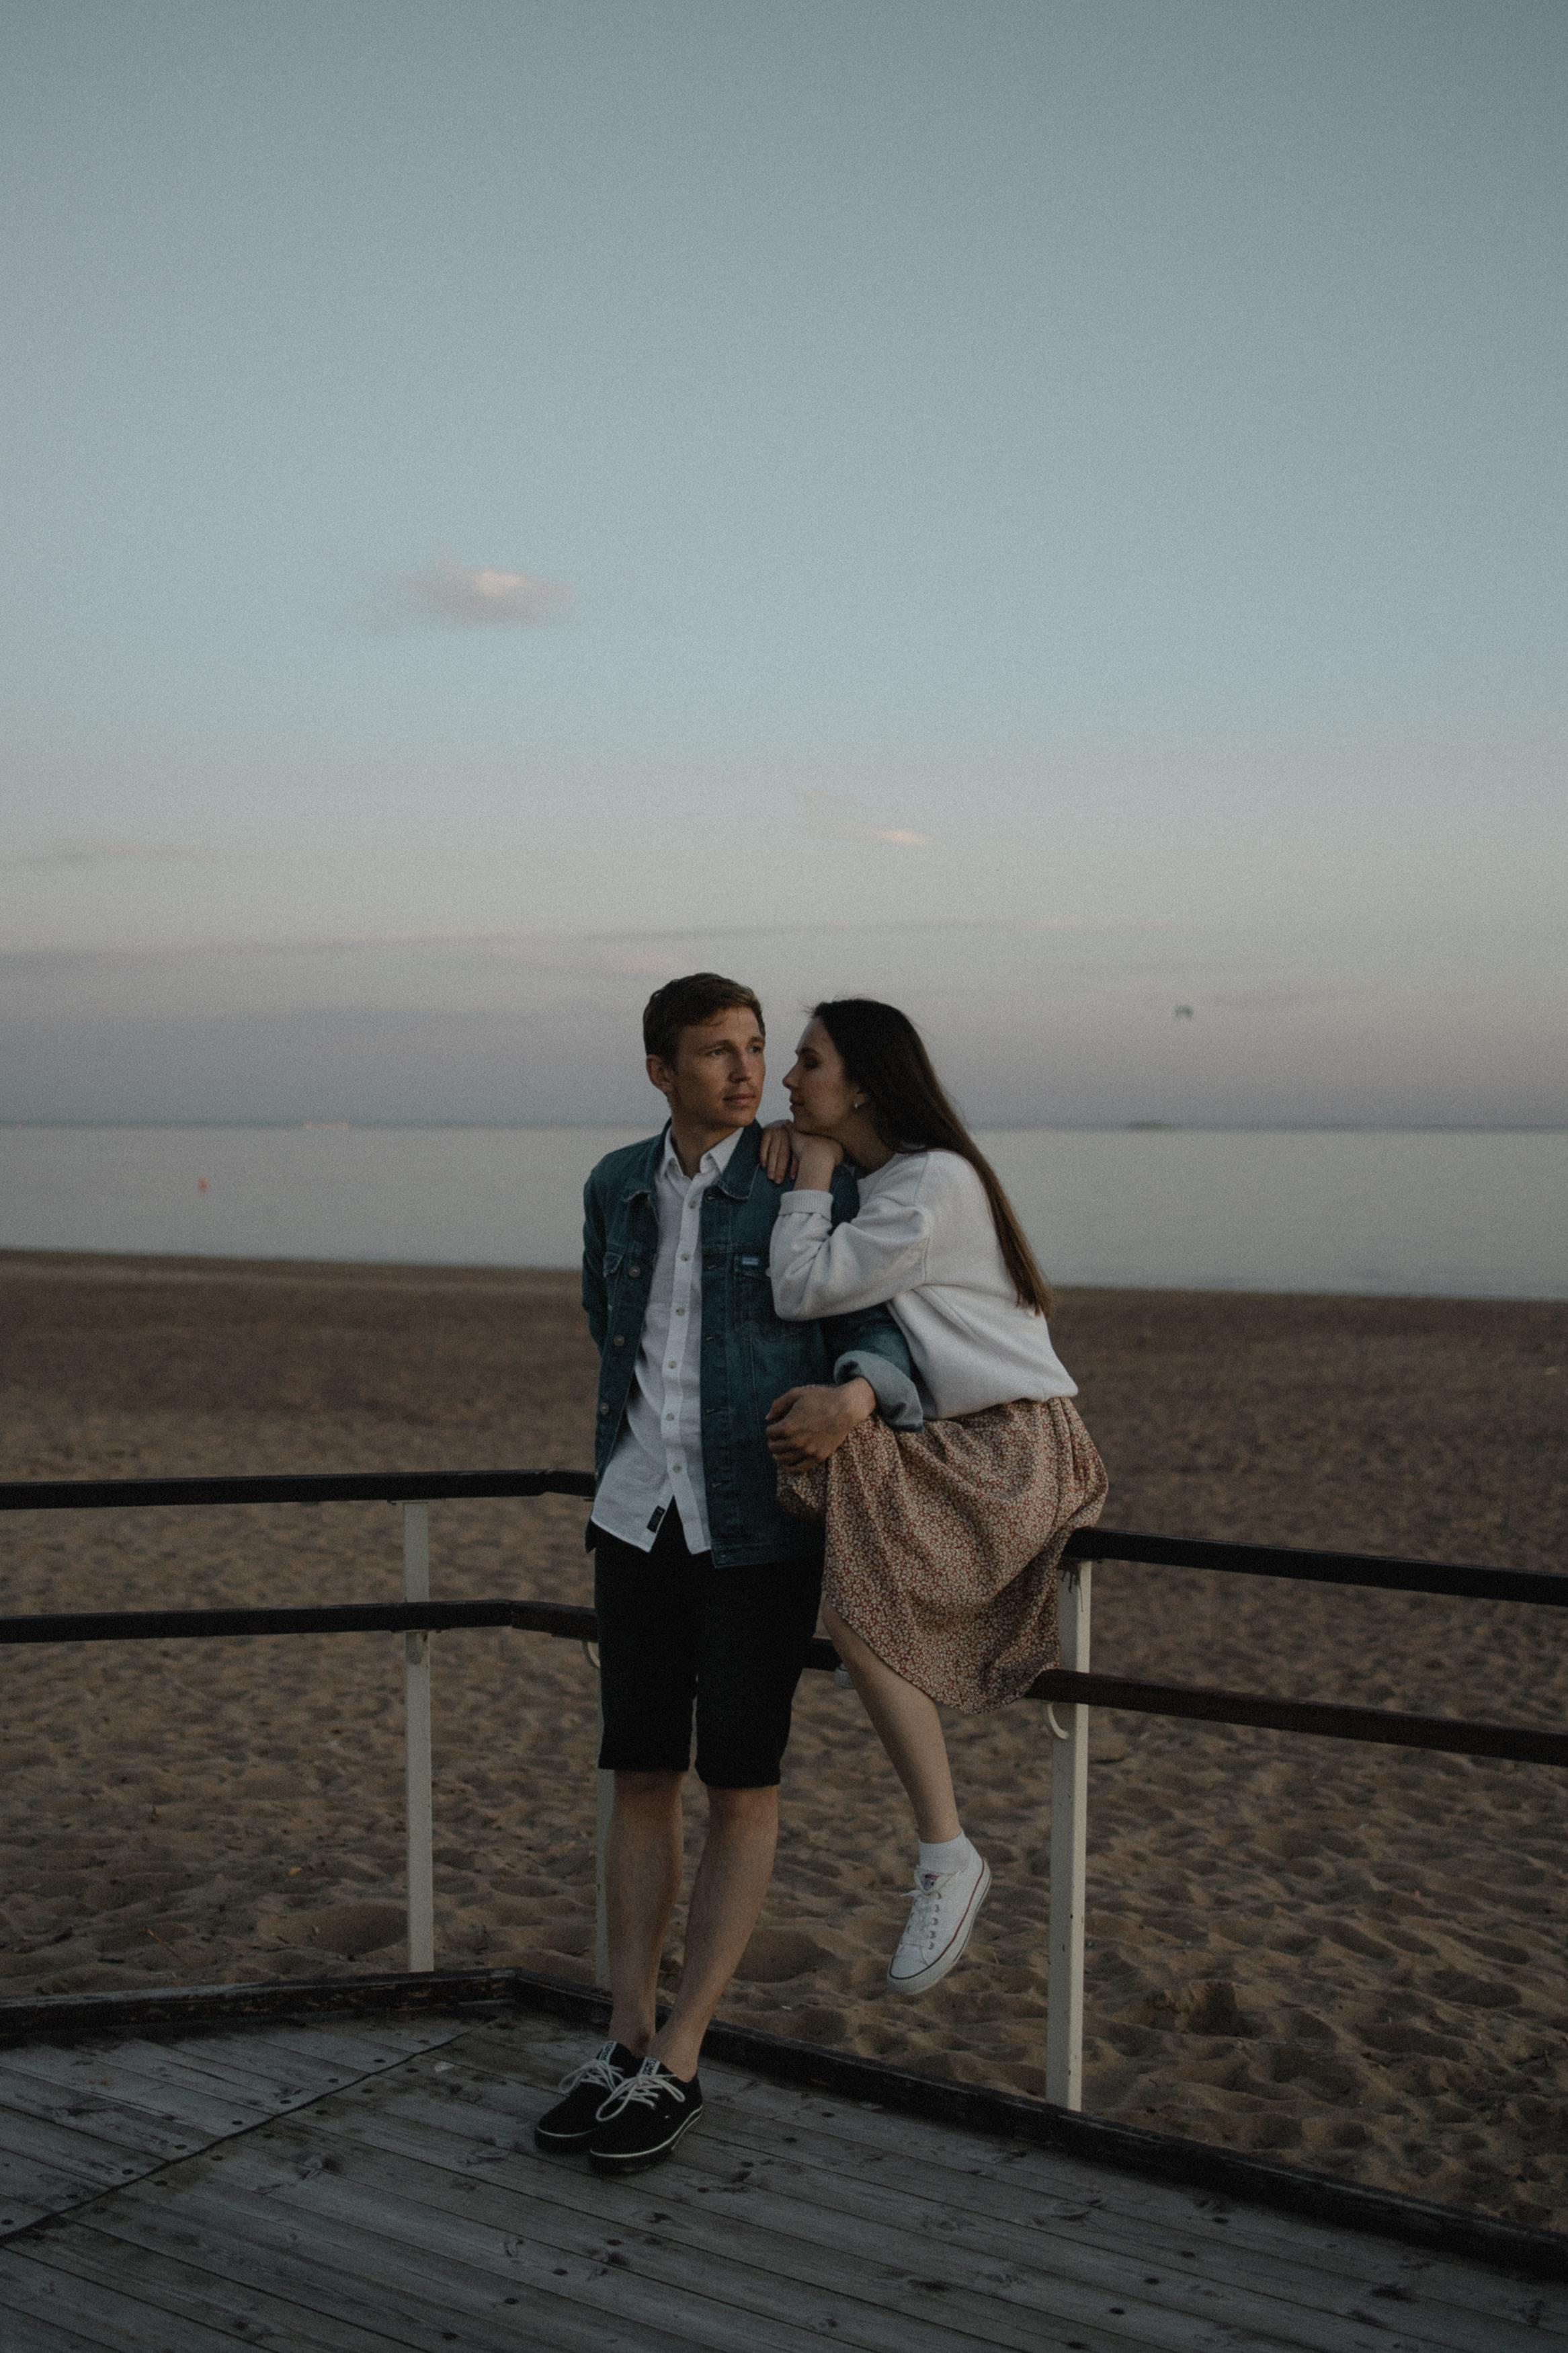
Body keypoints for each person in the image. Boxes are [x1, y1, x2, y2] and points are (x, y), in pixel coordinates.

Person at [534, 972, 920, 2178]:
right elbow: (612, 1328)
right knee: (638, 1773)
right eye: (715, 1051)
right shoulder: (614, 1185)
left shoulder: (807, 1182)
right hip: (636, 1515)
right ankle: (623, 2040)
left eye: (756, 1047)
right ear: (660, 1069)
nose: (746, 1070)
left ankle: (683, 2057)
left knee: (739, 1783)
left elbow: (880, 1332)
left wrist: (858, 1398)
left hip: (758, 1530)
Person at [761, 997, 1108, 1999]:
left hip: (1017, 1445)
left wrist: (813, 1174)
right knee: (834, 1488)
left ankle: (947, 1853)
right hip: (968, 1436)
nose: (789, 1080)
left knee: (840, 1501)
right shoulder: (899, 1181)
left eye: (807, 1061)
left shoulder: (931, 1183)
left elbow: (799, 1287)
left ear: (861, 1081)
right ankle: (888, 1649)